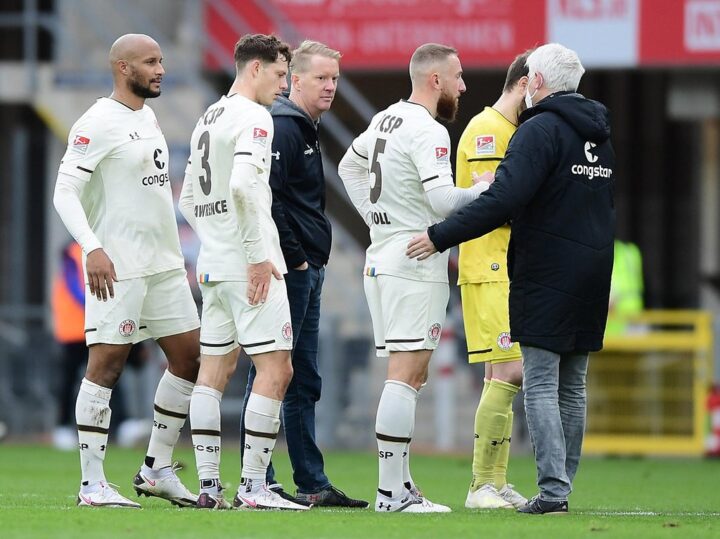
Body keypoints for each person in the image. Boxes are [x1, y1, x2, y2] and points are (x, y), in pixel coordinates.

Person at [407, 43, 616, 515]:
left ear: (533, 82)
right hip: (579, 268)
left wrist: (440, 236)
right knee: (556, 381)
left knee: (532, 379)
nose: (463, 85)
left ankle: (514, 485)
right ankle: (513, 483)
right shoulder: (596, 133)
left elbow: (499, 201)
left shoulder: (535, 130)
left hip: (534, 268)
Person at [338, 43, 491, 513]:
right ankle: (390, 494)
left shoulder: (386, 117)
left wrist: (377, 220)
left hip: (383, 255)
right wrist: (486, 192)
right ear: (436, 80)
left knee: (407, 374)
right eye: (459, 76)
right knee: (405, 377)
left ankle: (400, 485)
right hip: (413, 260)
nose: (464, 86)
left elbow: (348, 165)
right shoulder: (429, 130)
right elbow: (444, 202)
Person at [53, 34, 201, 508]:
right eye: (150, 62)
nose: (161, 69)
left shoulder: (147, 115)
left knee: (189, 359)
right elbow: (64, 192)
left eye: (161, 60)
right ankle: (91, 484)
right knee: (106, 367)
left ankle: (156, 469)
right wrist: (92, 248)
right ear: (122, 67)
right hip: (119, 267)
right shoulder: (96, 122)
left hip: (164, 265)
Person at [179, 33, 308, 511]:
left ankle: (210, 487)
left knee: (213, 372)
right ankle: (254, 488)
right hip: (249, 265)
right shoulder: (255, 117)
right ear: (255, 69)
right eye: (279, 75)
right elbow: (244, 187)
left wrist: (215, 238)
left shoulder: (208, 117)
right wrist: (254, 254)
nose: (283, 85)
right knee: (277, 368)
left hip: (213, 265)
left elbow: (189, 198)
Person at [240, 40, 368, 508]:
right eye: (321, 78)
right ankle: (260, 478)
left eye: (335, 79)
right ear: (295, 79)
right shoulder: (285, 126)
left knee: (302, 376)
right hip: (291, 270)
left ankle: (310, 481)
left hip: (307, 268)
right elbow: (267, 198)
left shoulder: (306, 127)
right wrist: (295, 257)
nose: (331, 86)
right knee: (272, 371)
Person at [456, 51, 532, 510]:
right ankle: (481, 484)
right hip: (489, 266)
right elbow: (490, 205)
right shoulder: (489, 131)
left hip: (503, 266)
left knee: (499, 374)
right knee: (509, 370)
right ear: (523, 84)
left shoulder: (510, 131)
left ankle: (494, 481)